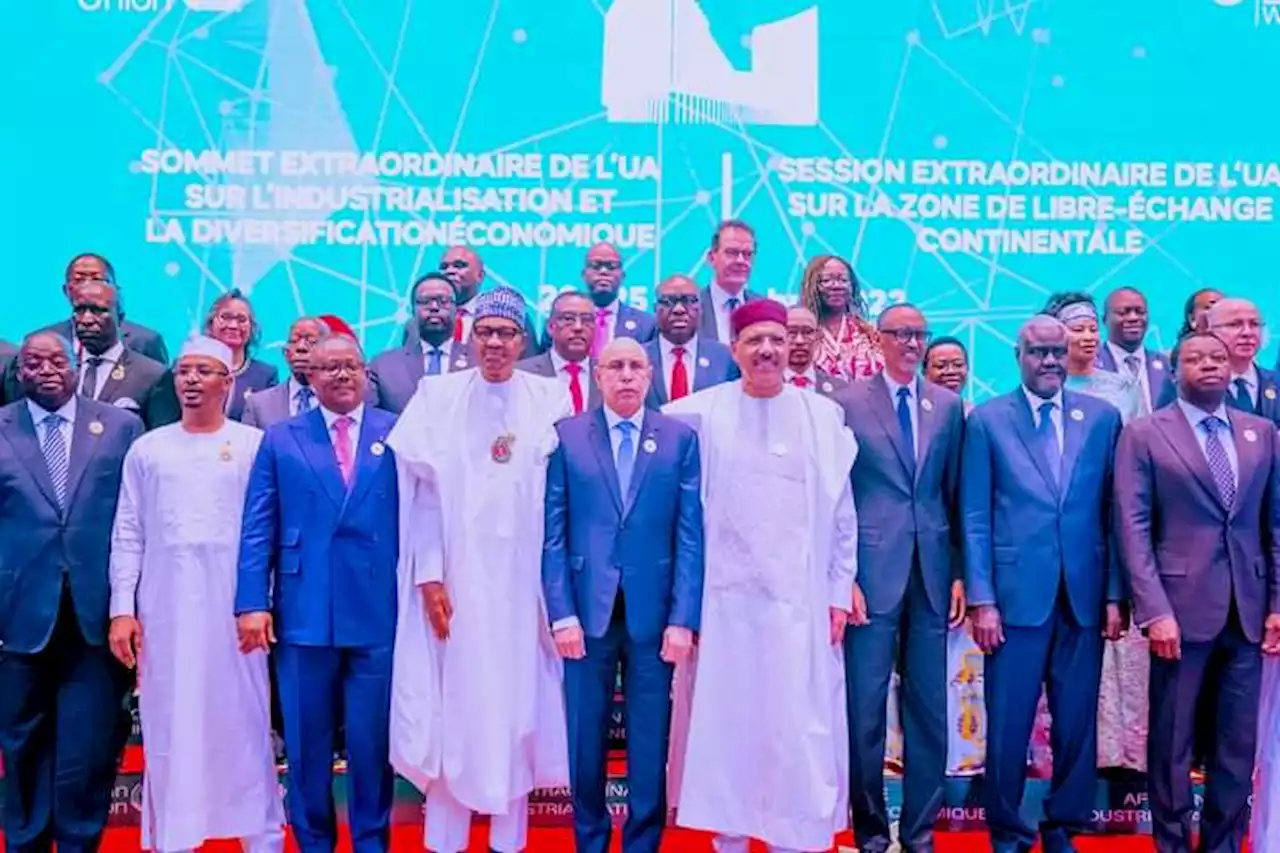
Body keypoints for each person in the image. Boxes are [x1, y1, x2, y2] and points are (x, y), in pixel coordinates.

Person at [664, 299, 857, 853]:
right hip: (725, 611)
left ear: (792, 345)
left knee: (795, 728)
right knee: (729, 727)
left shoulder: (822, 418)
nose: (767, 350)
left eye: (777, 339)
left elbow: (842, 515)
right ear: (735, 348)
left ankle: (794, 837)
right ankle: (729, 836)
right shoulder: (695, 414)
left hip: (800, 607)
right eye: (754, 341)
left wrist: (839, 592)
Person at [387, 286, 572, 853]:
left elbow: (560, 500)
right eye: (486, 331)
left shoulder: (550, 396)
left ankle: (508, 840)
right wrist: (429, 576)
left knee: (514, 707)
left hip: (522, 589)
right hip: (456, 584)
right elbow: (421, 497)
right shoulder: (436, 396)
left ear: (522, 341)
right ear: (470, 336)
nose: (495, 342)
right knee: (455, 708)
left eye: (506, 333)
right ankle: (444, 840)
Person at [107, 336, 284, 853]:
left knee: (244, 724)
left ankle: (261, 835)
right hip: (165, 612)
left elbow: (266, 534)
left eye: (204, 371)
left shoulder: (253, 445)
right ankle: (176, 838)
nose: (190, 380)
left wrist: (263, 602)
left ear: (227, 383)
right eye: (183, 371)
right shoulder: (148, 448)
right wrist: (123, 610)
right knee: (172, 724)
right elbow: (128, 533)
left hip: (237, 614)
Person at [963, 315, 1124, 853]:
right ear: (1018, 355)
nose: (1050, 361)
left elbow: (1112, 513)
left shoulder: (1101, 419)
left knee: (1077, 721)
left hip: (1083, 596)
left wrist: (1114, 595)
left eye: (1058, 351)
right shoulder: (987, 420)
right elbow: (975, 516)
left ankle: (1063, 825)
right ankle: (1007, 830)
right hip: (1012, 602)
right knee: (1008, 722)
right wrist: (982, 598)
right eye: (1039, 352)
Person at [1114, 332, 1280, 853]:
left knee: (1236, 747)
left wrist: (1276, 603)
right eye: (1195, 358)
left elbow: (1273, 524)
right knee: (1172, 744)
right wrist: (1154, 610)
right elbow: (1132, 527)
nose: (1209, 364)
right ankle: (1170, 844)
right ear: (1174, 369)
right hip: (1178, 616)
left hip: (1247, 613)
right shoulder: (1144, 434)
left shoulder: (1263, 433)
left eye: (1217, 357)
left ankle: (1223, 845)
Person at [236, 333, 399, 853]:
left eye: (352, 366)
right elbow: (257, 526)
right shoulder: (282, 438)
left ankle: (372, 841)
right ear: (310, 375)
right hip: (305, 610)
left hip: (378, 610)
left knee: (372, 743)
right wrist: (251, 602)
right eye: (330, 367)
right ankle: (313, 843)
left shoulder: (397, 433)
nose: (342, 375)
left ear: (366, 373)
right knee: (308, 745)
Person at [543, 337, 703, 853]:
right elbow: (552, 532)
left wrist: (684, 618)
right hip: (585, 615)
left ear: (651, 374)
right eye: (616, 366)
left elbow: (689, 535)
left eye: (637, 366)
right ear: (597, 374)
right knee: (585, 738)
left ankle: (642, 842)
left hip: (655, 617)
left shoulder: (679, 439)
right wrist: (560, 613)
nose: (627, 376)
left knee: (648, 737)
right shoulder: (567, 437)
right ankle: (589, 840)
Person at [0, 331, 142, 853]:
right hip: (17, 617)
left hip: (96, 616)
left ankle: (80, 843)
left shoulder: (121, 427)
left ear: (75, 362)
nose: (46, 369)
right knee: (22, 745)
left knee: (89, 748)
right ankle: (25, 843)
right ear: (20, 372)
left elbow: (135, 522)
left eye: (57, 359)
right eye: (33, 361)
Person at [835, 304, 965, 853]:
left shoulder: (949, 406)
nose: (911, 344)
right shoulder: (844, 402)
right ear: (879, 339)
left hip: (933, 577)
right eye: (900, 334)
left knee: (930, 712)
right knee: (864, 711)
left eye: (919, 335)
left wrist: (959, 572)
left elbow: (957, 493)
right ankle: (869, 832)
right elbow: (834, 497)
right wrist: (842, 576)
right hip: (870, 576)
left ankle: (919, 833)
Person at [1042, 292, 1151, 773]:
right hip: (1052, 543)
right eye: (1076, 328)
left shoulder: (1122, 387)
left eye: (1091, 328)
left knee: (1115, 650)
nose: (1086, 336)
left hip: (1108, 529)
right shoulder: (1038, 389)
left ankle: (1120, 754)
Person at [5, 278, 178, 428]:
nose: (86, 320)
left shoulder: (152, 376)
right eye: (79, 310)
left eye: (98, 311)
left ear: (120, 317)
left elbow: (160, 439)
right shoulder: (56, 370)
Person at [370, 273, 475, 414]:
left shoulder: (478, 362)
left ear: (457, 309)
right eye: (424, 301)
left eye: (443, 300)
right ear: (413, 310)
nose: (434, 307)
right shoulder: (383, 366)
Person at [40, 252, 169, 364]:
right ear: (66, 290)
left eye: (97, 279)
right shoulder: (41, 340)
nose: (88, 285)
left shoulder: (145, 340)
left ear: (115, 289)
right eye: (79, 280)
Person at [416, 247, 542, 357]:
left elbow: (529, 366)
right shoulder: (417, 323)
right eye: (444, 267)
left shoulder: (511, 317)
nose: (450, 271)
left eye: (459, 265)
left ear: (480, 276)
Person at [642, 275, 738, 408]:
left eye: (689, 300)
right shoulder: (639, 356)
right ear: (655, 309)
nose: (679, 309)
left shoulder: (724, 357)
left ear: (701, 308)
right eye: (668, 301)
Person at [798, 254, 884, 381]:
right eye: (827, 280)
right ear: (812, 286)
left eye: (843, 280)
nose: (836, 286)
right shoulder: (801, 335)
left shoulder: (869, 335)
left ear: (852, 286)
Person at [518, 291, 600, 415]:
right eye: (568, 319)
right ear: (551, 327)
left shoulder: (608, 374)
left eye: (587, 320)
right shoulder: (521, 374)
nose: (578, 327)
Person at [1096, 286, 1174, 414]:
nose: (1133, 318)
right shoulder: (1093, 365)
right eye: (1123, 312)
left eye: (1140, 312)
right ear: (1104, 320)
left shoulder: (1167, 365)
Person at [204, 289, 279, 421]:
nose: (233, 325)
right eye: (225, 317)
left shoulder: (265, 375)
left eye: (241, 320)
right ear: (211, 324)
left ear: (252, 328)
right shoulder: (190, 370)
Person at [242, 317, 327, 428]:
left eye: (311, 341)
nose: (301, 347)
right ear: (286, 353)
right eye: (294, 341)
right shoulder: (258, 405)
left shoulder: (342, 401)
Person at [1206, 298, 1280, 426]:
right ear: (1211, 332)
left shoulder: (1276, 381)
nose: (1247, 333)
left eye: (1254, 324)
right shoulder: (1191, 387)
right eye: (1235, 324)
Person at [580, 242, 657, 356]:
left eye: (611, 266)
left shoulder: (646, 324)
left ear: (622, 276)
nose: (603, 271)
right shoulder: (562, 321)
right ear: (583, 275)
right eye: (596, 265)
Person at [697, 220, 762, 343]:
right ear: (711, 258)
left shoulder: (761, 308)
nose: (740, 260)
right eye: (732, 253)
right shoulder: (693, 307)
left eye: (747, 254)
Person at [785, 304, 848, 398]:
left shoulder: (840, 388)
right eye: (791, 332)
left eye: (807, 332)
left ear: (818, 336)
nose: (799, 341)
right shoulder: (762, 386)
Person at [922, 336, 970, 406]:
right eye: (940, 366)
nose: (951, 371)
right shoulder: (915, 411)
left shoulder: (974, 414)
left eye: (958, 364)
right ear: (924, 372)